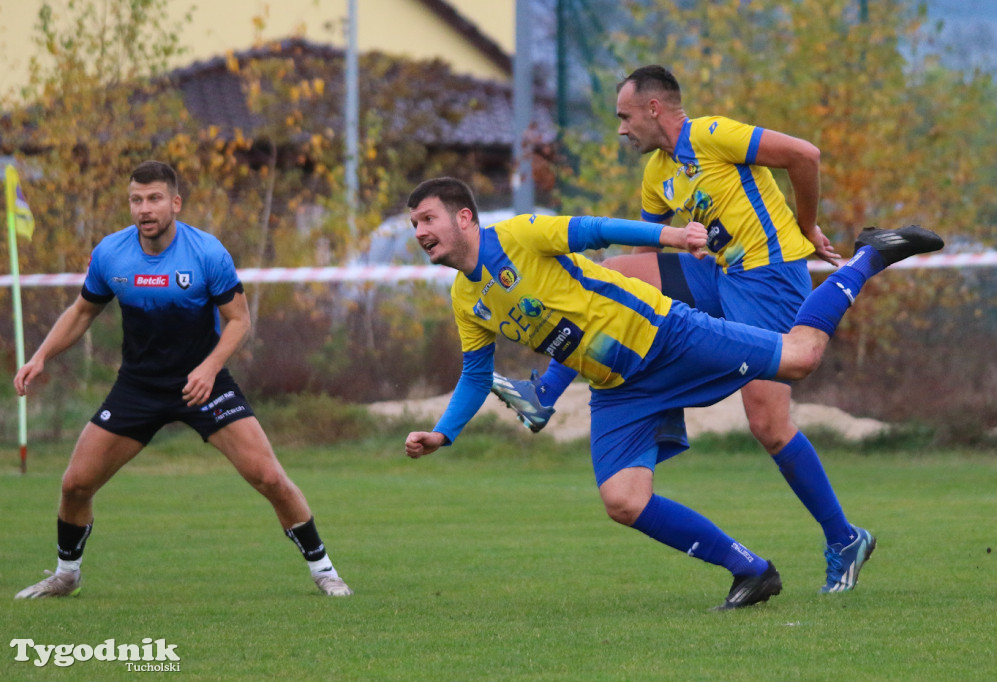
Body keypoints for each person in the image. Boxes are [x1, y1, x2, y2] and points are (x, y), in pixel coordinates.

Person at [403, 176, 941, 609]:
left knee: (799, 359)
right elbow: (476, 375)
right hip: (620, 389)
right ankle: (752, 571)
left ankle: (869, 256)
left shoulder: (517, 236)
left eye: (427, 218)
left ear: (465, 217)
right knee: (622, 500)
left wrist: (673, 237)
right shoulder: (465, 299)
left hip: (665, 335)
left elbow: (592, 230)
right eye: (414, 224)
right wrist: (443, 434)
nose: (420, 230)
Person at [490, 64, 870, 594]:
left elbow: (805, 155)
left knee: (768, 424)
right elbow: (647, 254)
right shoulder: (656, 173)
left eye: (624, 117)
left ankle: (844, 538)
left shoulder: (712, 134)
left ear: (653, 108)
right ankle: (544, 393)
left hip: (768, 276)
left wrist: (806, 226)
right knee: (617, 274)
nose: (620, 129)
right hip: (715, 274)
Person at [13, 161, 352, 599]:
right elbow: (82, 311)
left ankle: (324, 570)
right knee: (75, 483)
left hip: (205, 384)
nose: (144, 209)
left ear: (175, 202)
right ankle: (66, 573)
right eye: (136, 200)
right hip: (138, 386)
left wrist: (209, 367)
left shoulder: (207, 253)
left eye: (154, 198)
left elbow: (238, 320)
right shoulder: (111, 254)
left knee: (268, 476)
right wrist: (41, 356)